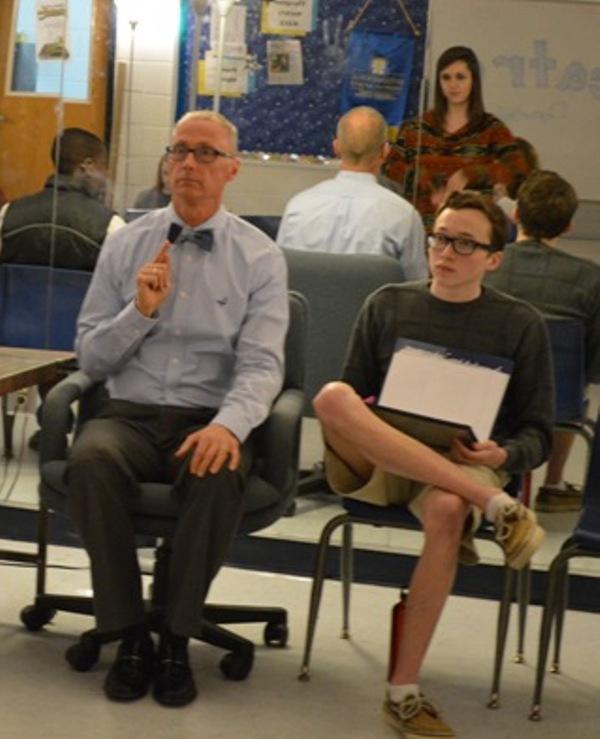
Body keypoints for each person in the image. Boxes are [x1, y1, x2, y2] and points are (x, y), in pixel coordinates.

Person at [65, 110, 289, 707]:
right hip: (129, 415)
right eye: (179, 151)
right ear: (167, 164)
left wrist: (228, 427)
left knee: (216, 472)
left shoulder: (260, 257)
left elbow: (264, 366)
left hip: (207, 418)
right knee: (89, 462)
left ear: (232, 170)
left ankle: (176, 640)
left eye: (206, 153)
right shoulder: (125, 244)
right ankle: (130, 632)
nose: (189, 163)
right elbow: (89, 354)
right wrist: (139, 312)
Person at [313, 190, 552, 738]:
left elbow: (538, 433)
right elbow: (353, 398)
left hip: (460, 464)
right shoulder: (388, 303)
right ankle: (495, 504)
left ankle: (402, 692)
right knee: (330, 397)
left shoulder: (520, 324)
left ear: (494, 258)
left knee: (446, 509)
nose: (446, 251)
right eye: (441, 237)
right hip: (381, 458)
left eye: (466, 243)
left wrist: (502, 456)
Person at [486, 169, 600, 513]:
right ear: (567, 226)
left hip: (489, 394)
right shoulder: (591, 279)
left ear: (516, 214)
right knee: (571, 382)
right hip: (560, 401)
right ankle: (553, 483)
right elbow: (594, 363)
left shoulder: (490, 266)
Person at [383, 46, 529, 232]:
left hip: (473, 232)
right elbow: (389, 165)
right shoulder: (416, 128)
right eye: (446, 77)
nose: (453, 85)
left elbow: (517, 170)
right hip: (421, 229)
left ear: (473, 80)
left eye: (460, 77)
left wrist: (472, 174)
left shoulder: (492, 129)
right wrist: (424, 179)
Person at [277, 106, 427, 280]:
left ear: (336, 147)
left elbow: (279, 279)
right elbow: (414, 287)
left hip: (307, 307)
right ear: (385, 150)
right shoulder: (403, 216)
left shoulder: (297, 207)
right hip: (372, 307)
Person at [0, 127, 123, 269]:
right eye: (104, 167)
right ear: (88, 165)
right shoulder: (109, 225)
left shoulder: (8, 214)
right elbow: (123, 283)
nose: (105, 176)